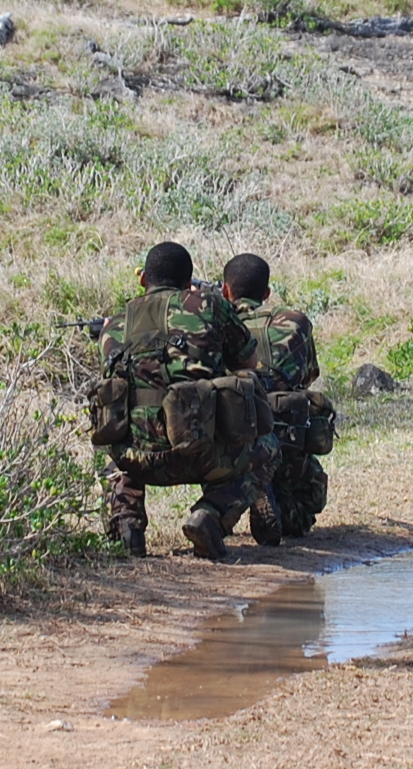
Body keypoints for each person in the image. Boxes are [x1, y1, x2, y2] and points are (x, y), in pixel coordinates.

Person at [95, 240, 267, 561]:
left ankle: (126, 523)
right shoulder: (210, 305)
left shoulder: (115, 324)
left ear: (143, 279)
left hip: (137, 459)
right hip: (203, 456)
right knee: (262, 444)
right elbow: (250, 362)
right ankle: (211, 516)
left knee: (112, 450)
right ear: (189, 282)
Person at [222, 253, 332, 539]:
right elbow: (308, 376)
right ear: (267, 293)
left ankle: (232, 505)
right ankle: (271, 493)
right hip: (287, 432)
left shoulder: (218, 324)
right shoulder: (295, 322)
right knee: (301, 512)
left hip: (235, 438)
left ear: (225, 290)